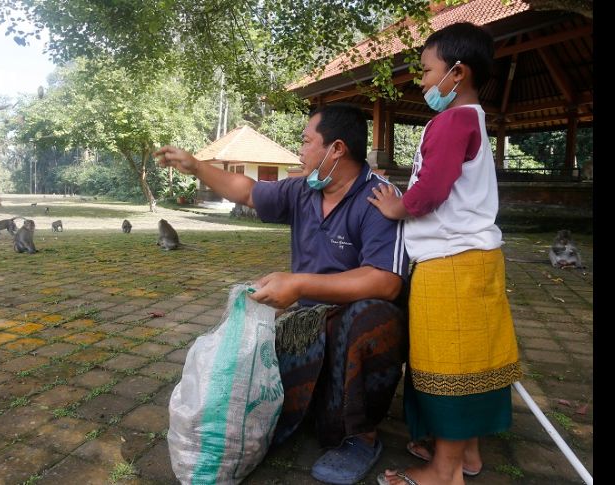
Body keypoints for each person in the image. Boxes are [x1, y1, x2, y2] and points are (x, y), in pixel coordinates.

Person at [155, 103, 409, 485]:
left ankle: (360, 437)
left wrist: (299, 284)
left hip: (351, 324)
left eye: (307, 142)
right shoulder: (304, 191)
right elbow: (250, 191)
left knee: (371, 316)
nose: (300, 151)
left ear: (336, 148)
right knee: (265, 401)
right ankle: (317, 407)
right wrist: (197, 167)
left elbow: (386, 281)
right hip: (305, 325)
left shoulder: (378, 198)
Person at [368, 22, 522, 485]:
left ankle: (445, 470)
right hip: (472, 260)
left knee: (448, 363)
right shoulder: (472, 118)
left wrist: (398, 206)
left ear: (458, 72)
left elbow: (431, 189)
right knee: (472, 360)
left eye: (426, 71)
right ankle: (467, 454)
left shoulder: (452, 120)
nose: (422, 81)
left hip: (451, 264)